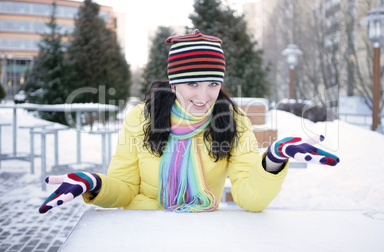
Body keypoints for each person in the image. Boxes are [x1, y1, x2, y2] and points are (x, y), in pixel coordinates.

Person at [39, 29, 339, 214]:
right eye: (192, 84)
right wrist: (94, 183)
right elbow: (125, 188)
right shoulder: (141, 118)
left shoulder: (232, 120)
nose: (204, 95)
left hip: (201, 230)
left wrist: (274, 159)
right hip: (144, 226)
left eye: (212, 83)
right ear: (173, 84)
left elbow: (251, 199)